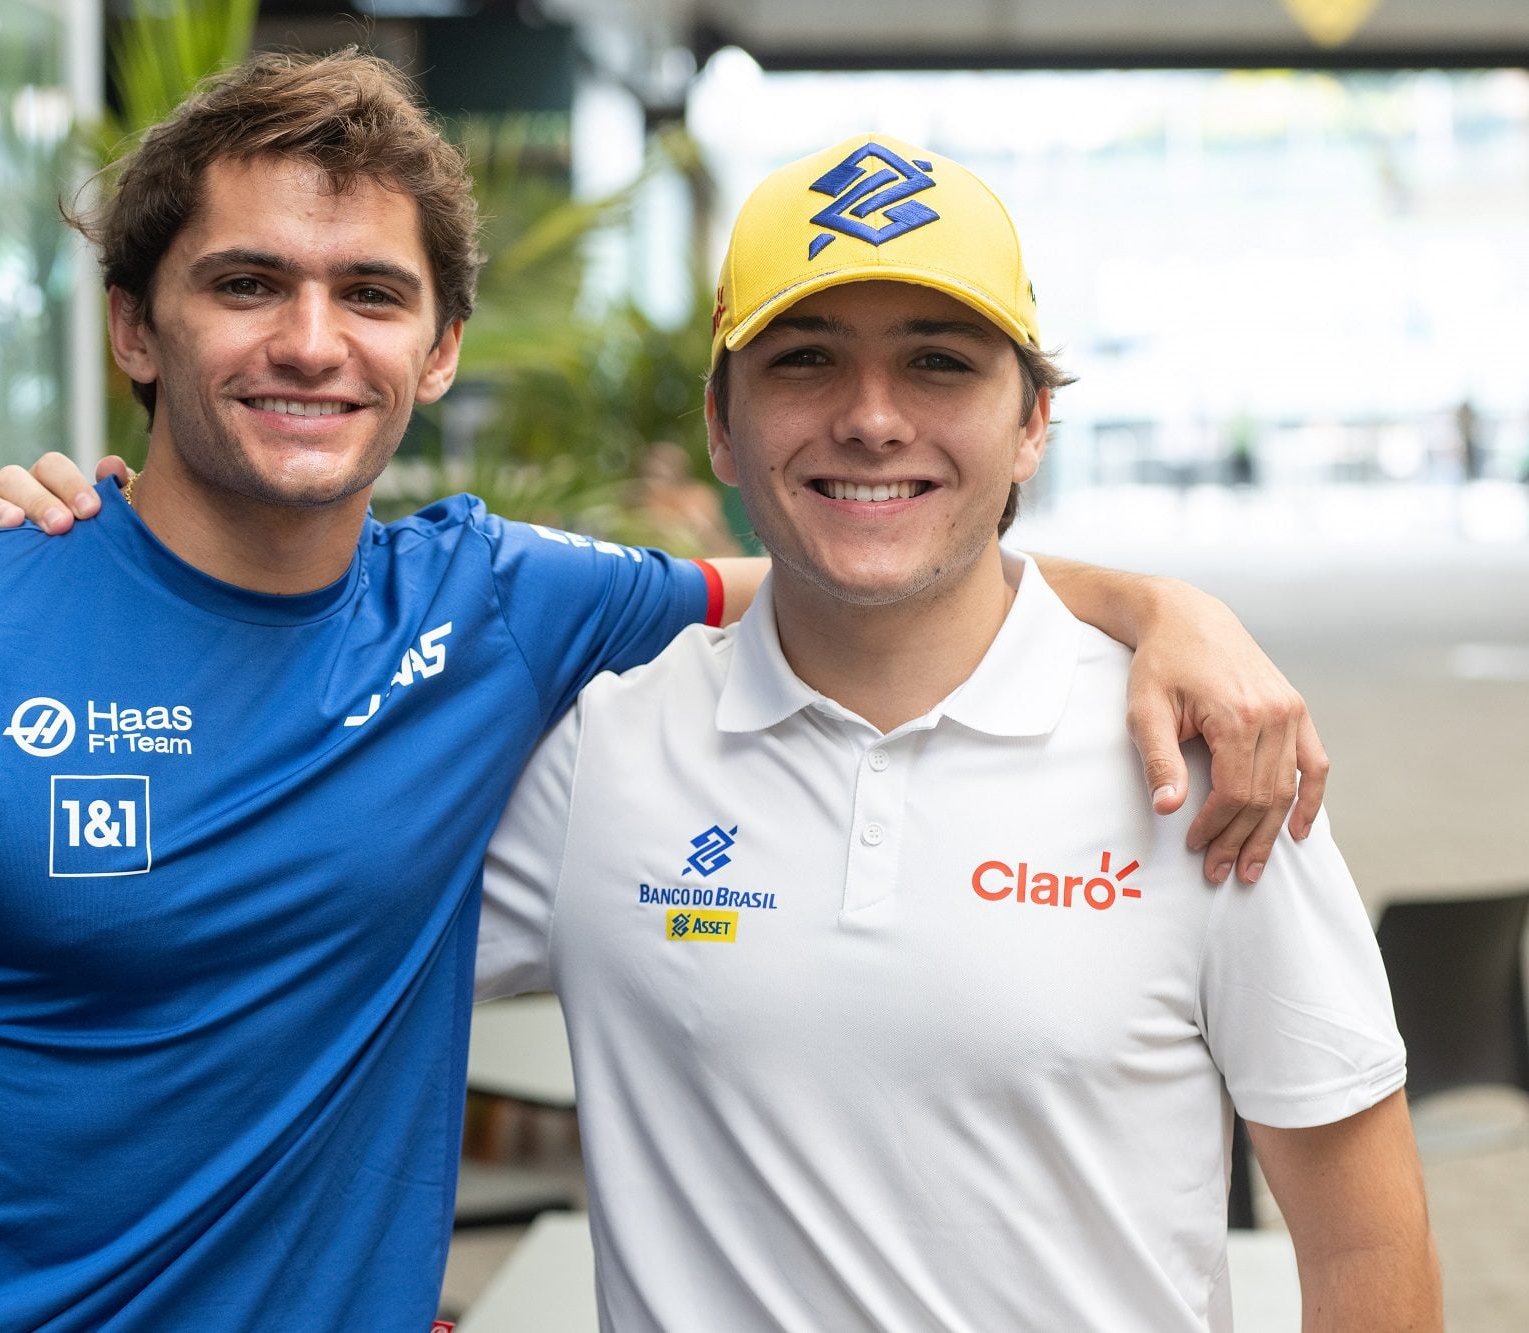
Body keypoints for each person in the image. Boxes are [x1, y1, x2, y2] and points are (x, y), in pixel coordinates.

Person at [0, 52, 1322, 1331]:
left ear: (439, 351)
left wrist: (1169, 605)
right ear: (135, 327)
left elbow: (864, 552)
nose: (310, 340)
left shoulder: (500, 605)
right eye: (244, 283)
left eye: (372, 294)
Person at [476, 135, 1439, 1330]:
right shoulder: (597, 754)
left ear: (1031, 422)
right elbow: (285, 984)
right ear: (722, 427)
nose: (872, 419)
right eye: (806, 361)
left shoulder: (1209, 761)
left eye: (938, 363)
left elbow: (1362, 1253)